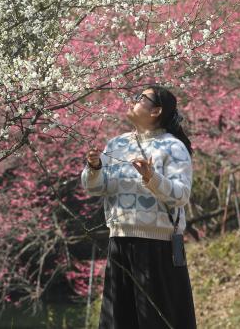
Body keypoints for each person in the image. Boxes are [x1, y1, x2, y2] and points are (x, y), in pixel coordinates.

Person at [81, 86, 197, 329]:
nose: (133, 101)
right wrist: (94, 167)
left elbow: (181, 195)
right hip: (119, 241)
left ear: (156, 111)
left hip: (157, 247)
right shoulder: (117, 144)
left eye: (140, 98)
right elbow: (98, 187)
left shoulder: (173, 147)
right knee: (118, 320)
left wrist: (151, 177)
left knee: (156, 321)